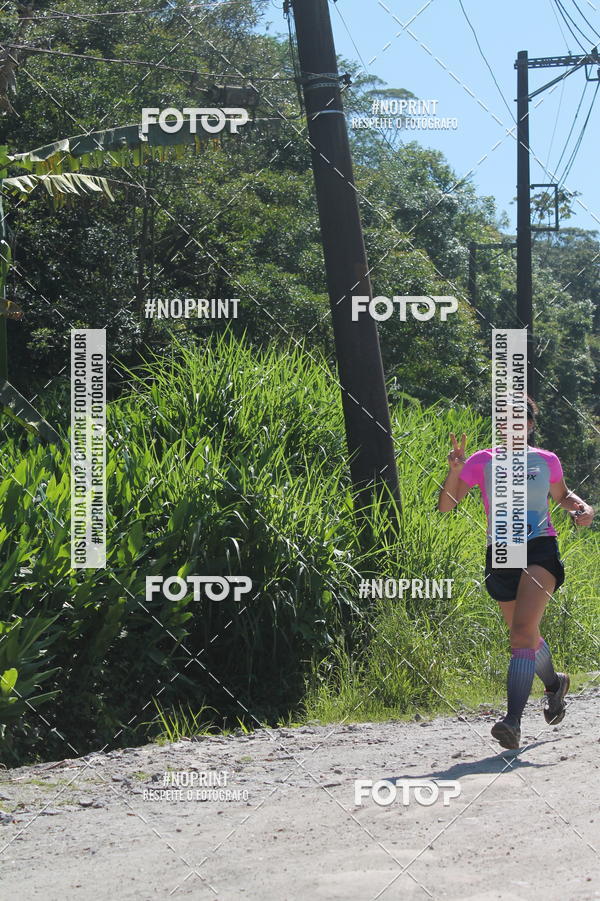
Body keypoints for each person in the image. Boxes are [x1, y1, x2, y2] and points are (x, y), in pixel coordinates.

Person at [437, 397, 595, 749]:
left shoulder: (546, 461)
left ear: (531, 426)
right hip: (503, 550)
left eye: (520, 421)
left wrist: (583, 508)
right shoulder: (482, 461)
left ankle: (512, 722)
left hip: (540, 547)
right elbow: (447, 505)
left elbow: (564, 495)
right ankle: (555, 683)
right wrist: (454, 468)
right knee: (524, 635)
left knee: (521, 633)